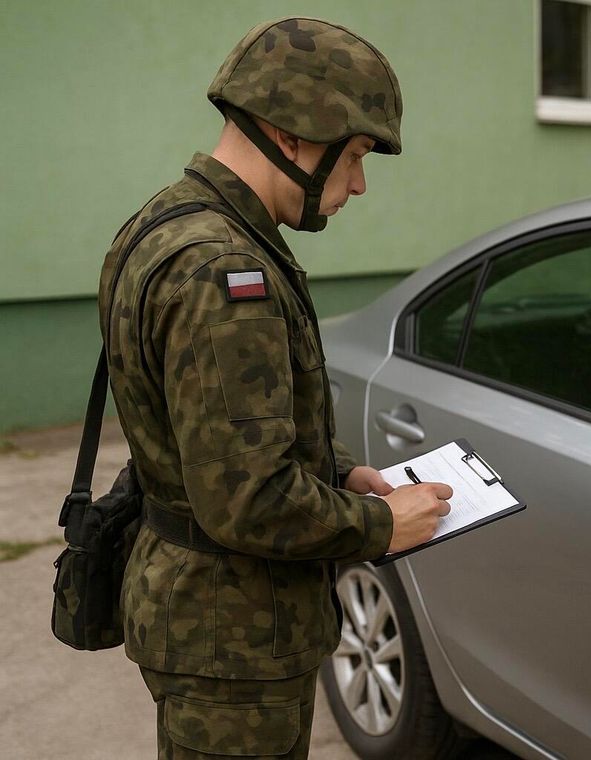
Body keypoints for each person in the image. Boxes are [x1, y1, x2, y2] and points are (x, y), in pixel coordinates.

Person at [96, 17, 451, 758]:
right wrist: (382, 526)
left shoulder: (168, 221)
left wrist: (340, 469)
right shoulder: (226, 274)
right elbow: (249, 499)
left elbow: (216, 432)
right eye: (353, 155)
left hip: (204, 619)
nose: (357, 183)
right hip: (234, 640)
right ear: (291, 135)